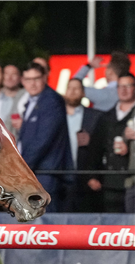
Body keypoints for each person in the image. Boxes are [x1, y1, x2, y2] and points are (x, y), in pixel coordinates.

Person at [16, 62, 73, 212]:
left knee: (47, 228)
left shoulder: (51, 101)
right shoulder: (32, 101)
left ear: (45, 78)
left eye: (36, 78)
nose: (32, 84)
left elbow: (43, 141)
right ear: (22, 81)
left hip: (46, 175)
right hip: (35, 174)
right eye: (28, 80)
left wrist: (21, 169)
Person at [86, 72, 135, 212]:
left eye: (128, 86)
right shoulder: (106, 117)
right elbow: (95, 148)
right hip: (110, 183)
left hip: (132, 180)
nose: (124, 90)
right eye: (120, 86)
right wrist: (92, 176)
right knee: (112, 227)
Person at [64, 78, 104, 212]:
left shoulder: (95, 116)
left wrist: (90, 141)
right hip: (61, 176)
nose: (73, 91)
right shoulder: (56, 116)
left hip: (86, 179)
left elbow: (101, 147)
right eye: (70, 88)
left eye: (77, 88)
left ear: (83, 93)